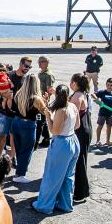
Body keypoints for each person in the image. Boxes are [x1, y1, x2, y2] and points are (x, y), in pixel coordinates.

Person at [32, 85, 79, 215]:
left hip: (62, 144)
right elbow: (77, 125)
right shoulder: (72, 106)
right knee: (68, 176)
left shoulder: (61, 110)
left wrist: (47, 115)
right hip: (73, 141)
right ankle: (65, 204)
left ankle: (44, 206)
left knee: (52, 176)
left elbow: (55, 131)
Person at [10, 72, 46, 184]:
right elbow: (45, 112)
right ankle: (20, 174)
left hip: (16, 122)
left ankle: (18, 172)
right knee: (26, 150)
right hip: (28, 125)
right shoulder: (36, 99)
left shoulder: (18, 94)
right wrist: (46, 101)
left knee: (20, 149)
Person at [69, 74, 93, 203]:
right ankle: (81, 190)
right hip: (85, 128)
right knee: (80, 160)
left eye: (71, 81)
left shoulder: (77, 96)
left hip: (80, 131)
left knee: (79, 162)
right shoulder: (83, 93)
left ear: (75, 83)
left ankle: (80, 193)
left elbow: (72, 116)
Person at [93, 78, 112, 146]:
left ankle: (108, 141)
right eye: (108, 85)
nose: (109, 87)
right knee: (100, 126)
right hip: (102, 113)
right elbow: (93, 96)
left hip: (110, 114)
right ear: (106, 85)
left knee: (109, 127)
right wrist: (98, 101)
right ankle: (98, 141)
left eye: (111, 85)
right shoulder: (102, 92)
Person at [35, 56, 55, 147]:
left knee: (40, 121)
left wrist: (45, 101)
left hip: (43, 102)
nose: (39, 63)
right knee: (41, 121)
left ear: (47, 62)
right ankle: (46, 139)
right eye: (39, 61)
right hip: (39, 100)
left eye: (42, 61)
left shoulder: (48, 75)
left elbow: (49, 90)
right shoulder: (41, 73)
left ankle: (38, 141)